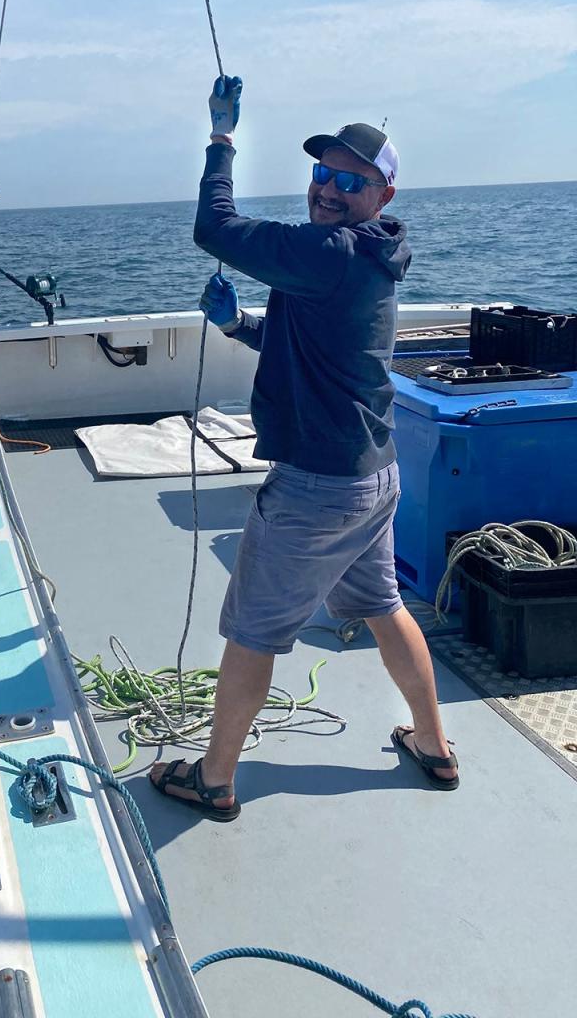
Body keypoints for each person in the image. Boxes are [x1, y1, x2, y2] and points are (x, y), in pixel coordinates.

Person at [149, 78, 458, 820]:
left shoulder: (330, 252)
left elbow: (215, 230)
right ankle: (433, 743)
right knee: (383, 605)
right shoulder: (367, 256)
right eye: (322, 173)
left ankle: (215, 779)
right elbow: (317, 348)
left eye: (351, 181)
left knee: (253, 633)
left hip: (316, 487)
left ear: (381, 196)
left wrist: (221, 141)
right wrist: (238, 326)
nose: (329, 189)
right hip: (371, 476)